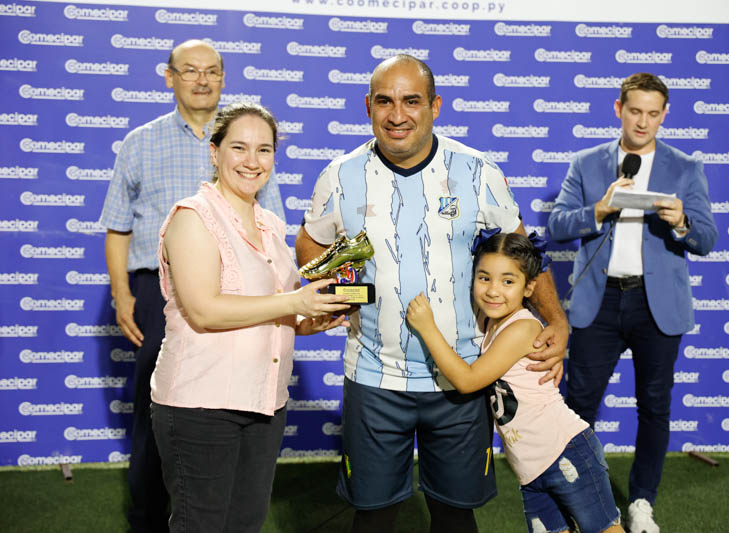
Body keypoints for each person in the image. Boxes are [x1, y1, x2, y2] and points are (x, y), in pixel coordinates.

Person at [295, 54, 570, 533]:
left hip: (461, 377)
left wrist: (557, 321)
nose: (397, 114)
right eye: (384, 101)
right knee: (374, 515)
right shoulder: (339, 174)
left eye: (411, 101)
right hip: (373, 377)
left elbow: (523, 253)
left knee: (453, 513)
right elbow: (311, 244)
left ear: (435, 106)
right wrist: (338, 291)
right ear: (368, 107)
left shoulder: (478, 171)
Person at [99, 40, 284, 532]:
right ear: (170, 77)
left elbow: (272, 240)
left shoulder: (247, 143)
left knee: (239, 485)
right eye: (189, 71)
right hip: (164, 295)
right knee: (162, 417)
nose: (201, 80)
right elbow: (117, 226)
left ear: (223, 78)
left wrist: (303, 309)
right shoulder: (142, 142)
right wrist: (122, 295)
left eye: (211, 71)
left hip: (250, 288)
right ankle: (148, 518)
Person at [150, 102, 350, 532]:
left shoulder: (271, 226)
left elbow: (273, 311)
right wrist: (294, 304)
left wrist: (311, 319)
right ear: (214, 151)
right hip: (200, 403)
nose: (252, 161)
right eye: (239, 147)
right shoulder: (193, 218)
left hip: (263, 403)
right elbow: (204, 310)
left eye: (264, 150)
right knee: (200, 524)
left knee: (246, 523)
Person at [547, 72, 717, 533]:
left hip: (655, 305)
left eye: (653, 113)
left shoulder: (684, 167)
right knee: (579, 403)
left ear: (664, 115)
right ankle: (578, 497)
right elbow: (558, 225)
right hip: (598, 305)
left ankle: (641, 502)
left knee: (654, 406)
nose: (643, 122)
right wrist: (599, 210)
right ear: (618, 109)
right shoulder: (586, 163)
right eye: (635, 111)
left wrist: (682, 221)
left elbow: (707, 240)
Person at [406, 231, 624, 533]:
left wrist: (427, 328)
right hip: (529, 468)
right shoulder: (489, 322)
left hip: (566, 448)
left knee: (604, 530)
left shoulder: (521, 327)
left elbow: (468, 381)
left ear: (529, 287)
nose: (494, 290)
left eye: (508, 282)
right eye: (484, 278)